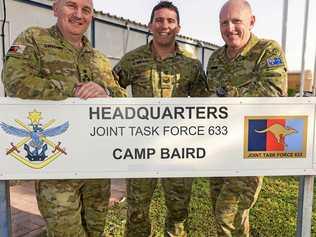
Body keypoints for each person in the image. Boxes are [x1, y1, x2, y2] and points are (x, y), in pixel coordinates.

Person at [2, 0, 126, 236]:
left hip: (96, 166)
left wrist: (105, 92)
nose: (79, 14)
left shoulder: (98, 58)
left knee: (95, 230)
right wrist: (73, 91)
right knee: (65, 232)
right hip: (56, 167)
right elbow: (15, 80)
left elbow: (119, 95)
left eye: (86, 10)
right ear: (55, 8)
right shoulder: (34, 39)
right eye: (71, 5)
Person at [113, 1, 209, 236]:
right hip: (141, 150)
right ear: (149, 25)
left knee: (178, 213)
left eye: (170, 21)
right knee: (136, 212)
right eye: (159, 20)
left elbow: (204, 106)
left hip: (177, 152)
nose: (164, 25)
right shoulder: (132, 60)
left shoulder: (192, 65)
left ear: (178, 27)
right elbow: (110, 88)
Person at [207, 0, 287, 236]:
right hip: (219, 148)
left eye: (236, 21)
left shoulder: (267, 50)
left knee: (227, 214)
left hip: (250, 148)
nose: (229, 28)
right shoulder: (215, 59)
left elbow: (273, 91)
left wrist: (225, 95)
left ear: (251, 21)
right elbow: (207, 97)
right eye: (224, 23)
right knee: (226, 215)